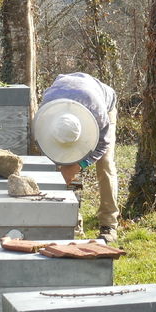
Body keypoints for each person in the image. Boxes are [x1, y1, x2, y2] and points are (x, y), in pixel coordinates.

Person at [33, 72, 118, 243]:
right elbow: (42, 143)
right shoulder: (46, 111)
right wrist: (64, 169)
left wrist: (79, 164)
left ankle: (109, 224)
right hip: (65, 106)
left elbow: (103, 144)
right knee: (63, 167)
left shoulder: (97, 111)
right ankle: (73, 222)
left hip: (104, 106)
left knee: (105, 164)